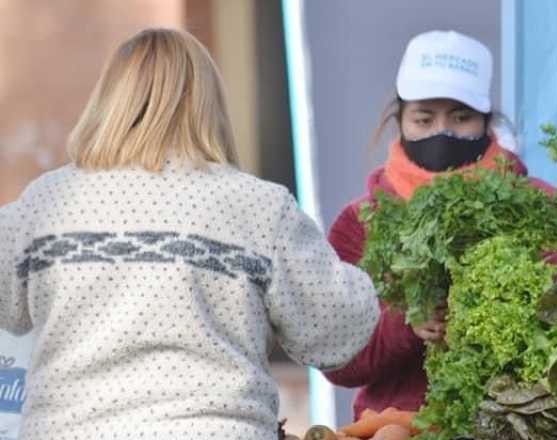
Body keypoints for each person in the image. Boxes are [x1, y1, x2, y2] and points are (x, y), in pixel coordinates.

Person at [0, 29, 379, 439]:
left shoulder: (48, 202)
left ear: (108, 102)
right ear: (208, 105)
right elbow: (338, 329)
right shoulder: (259, 207)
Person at [323, 30, 557, 417]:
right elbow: (334, 355)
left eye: (460, 118)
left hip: (518, 424)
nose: (441, 133)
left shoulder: (541, 207)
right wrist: (409, 324)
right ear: (400, 120)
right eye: (424, 119)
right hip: (396, 427)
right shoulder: (359, 223)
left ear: (486, 122)